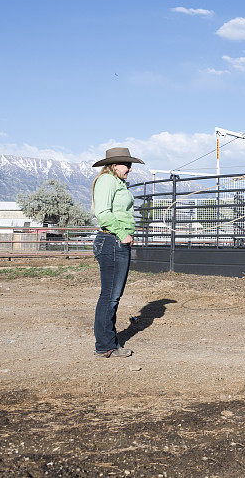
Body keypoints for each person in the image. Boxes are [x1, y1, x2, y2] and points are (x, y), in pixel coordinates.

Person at [91, 147, 144, 358]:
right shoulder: (106, 182)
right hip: (112, 241)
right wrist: (123, 234)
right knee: (110, 296)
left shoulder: (117, 182)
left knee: (112, 295)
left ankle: (107, 342)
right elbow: (103, 213)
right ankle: (105, 345)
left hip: (115, 241)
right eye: (127, 164)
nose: (130, 169)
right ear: (115, 165)